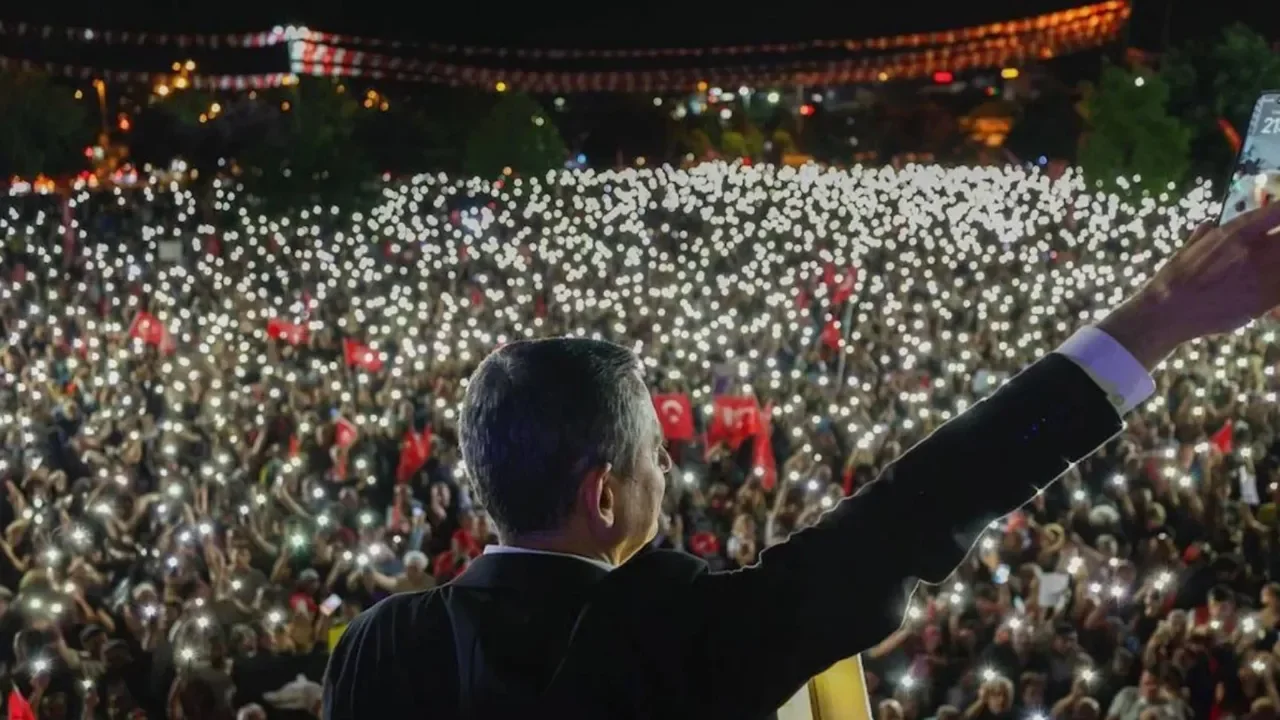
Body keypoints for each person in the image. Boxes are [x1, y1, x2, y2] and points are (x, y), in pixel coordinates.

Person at [322, 204, 1280, 719]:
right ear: (602, 494)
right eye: (657, 452)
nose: (673, 468)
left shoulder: (376, 650)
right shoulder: (683, 636)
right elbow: (916, 508)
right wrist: (1155, 319)